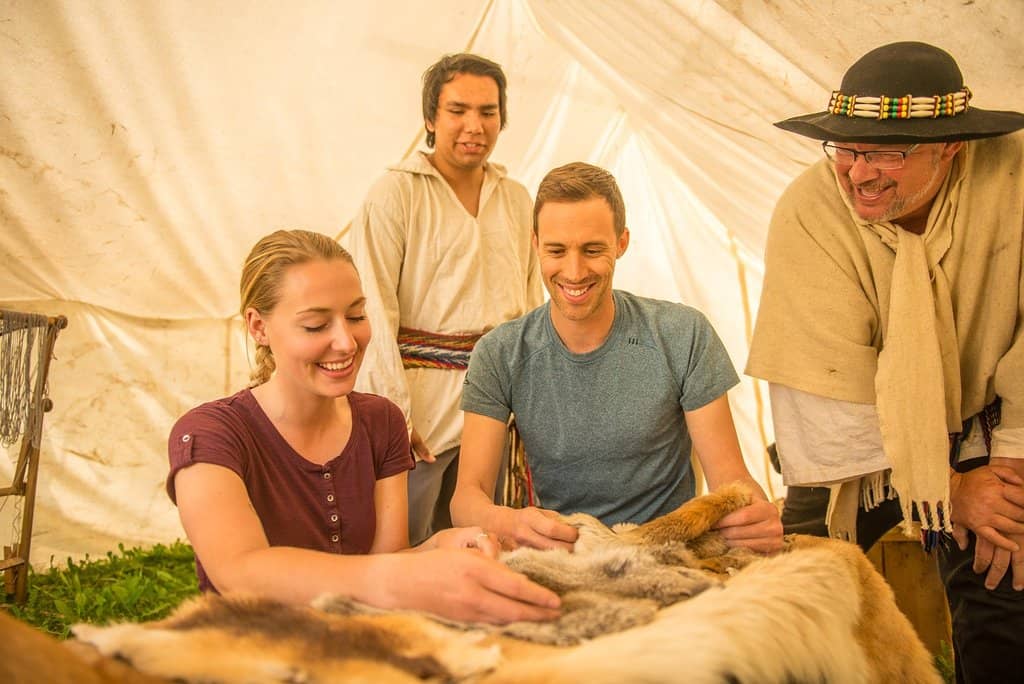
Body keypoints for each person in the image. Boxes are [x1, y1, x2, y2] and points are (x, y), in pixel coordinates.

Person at [745, 41, 1024, 683]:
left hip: (987, 421)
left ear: (950, 146)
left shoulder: (1010, 183)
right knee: (797, 591)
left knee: (1004, 588)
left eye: (887, 153)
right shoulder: (810, 212)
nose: (859, 173)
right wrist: (949, 492)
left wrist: (1006, 472)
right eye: (845, 148)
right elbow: (824, 383)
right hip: (859, 436)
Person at [167, 229, 560, 624]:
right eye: (316, 325)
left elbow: (387, 560)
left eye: (356, 316)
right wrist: (406, 575)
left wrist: (443, 545)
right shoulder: (211, 435)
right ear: (258, 327)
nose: (346, 342)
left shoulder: (381, 421)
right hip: (252, 646)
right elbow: (240, 571)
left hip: (361, 641)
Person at [450, 162, 782, 553]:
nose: (574, 272)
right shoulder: (500, 353)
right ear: (534, 244)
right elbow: (466, 499)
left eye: (593, 250)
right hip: (563, 555)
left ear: (621, 242)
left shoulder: (682, 334)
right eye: (557, 250)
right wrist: (511, 521)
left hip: (670, 553)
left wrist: (753, 517)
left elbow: (730, 478)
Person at [346, 53, 543, 546]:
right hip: (422, 414)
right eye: (458, 110)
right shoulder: (394, 194)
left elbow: (531, 309)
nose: (474, 126)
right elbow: (372, 310)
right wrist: (393, 415)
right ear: (430, 118)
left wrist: (534, 403)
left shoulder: (518, 199)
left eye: (488, 111)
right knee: (409, 542)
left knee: (485, 542)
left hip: (497, 409)